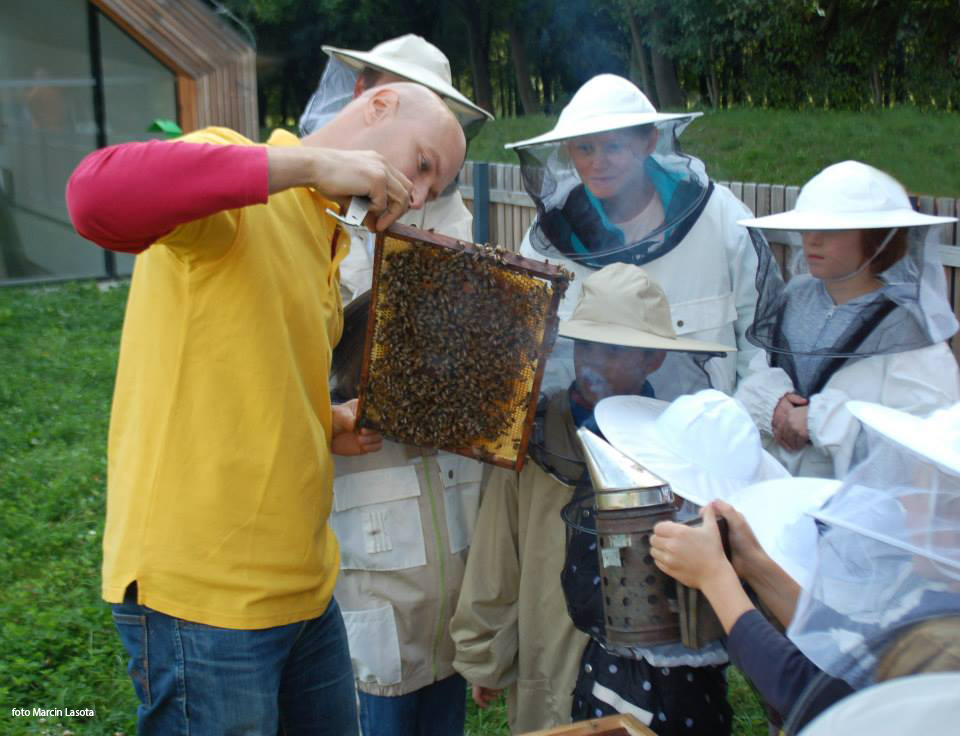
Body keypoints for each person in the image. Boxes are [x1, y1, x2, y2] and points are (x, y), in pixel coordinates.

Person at [65, 82, 466, 735]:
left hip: (307, 589)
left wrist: (327, 422)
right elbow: (92, 196)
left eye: (433, 184)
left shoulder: (326, 243)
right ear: (378, 104)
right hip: (206, 597)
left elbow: (249, 370)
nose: (418, 193)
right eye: (421, 163)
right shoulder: (236, 175)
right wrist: (310, 166)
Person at [450, 263, 737, 734]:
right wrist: (484, 654)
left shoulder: (675, 443)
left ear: (654, 360)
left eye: (612, 350)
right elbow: (498, 551)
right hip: (551, 649)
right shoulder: (535, 434)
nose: (591, 363)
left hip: (645, 672)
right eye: (586, 345)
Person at [650, 399, 960, 732]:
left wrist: (715, 578)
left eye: (922, 490)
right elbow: (849, 646)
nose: (906, 500)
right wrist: (755, 564)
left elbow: (818, 698)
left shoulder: (946, 646)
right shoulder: (938, 598)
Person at [505, 74, 759, 400]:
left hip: (697, 440)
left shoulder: (722, 219)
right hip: (579, 441)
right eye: (585, 148)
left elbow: (761, 343)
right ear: (569, 150)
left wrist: (740, 431)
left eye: (614, 146)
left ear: (650, 142)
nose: (599, 163)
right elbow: (527, 350)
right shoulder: (550, 237)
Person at [734, 160, 960, 478]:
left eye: (831, 230)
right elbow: (755, 375)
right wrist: (774, 403)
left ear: (876, 238)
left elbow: (928, 439)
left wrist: (822, 420)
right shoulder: (793, 299)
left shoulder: (908, 327)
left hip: (860, 507)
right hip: (776, 490)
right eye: (808, 227)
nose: (812, 240)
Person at [326, 291, 482, 736]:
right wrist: (326, 432)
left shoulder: (466, 439)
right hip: (374, 665)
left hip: (448, 653)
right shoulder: (339, 442)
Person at [299, 34, 493, 304]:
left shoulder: (442, 208)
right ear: (368, 97)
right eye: (403, 95)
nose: (411, 107)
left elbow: (452, 304)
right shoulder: (287, 177)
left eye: (429, 101)